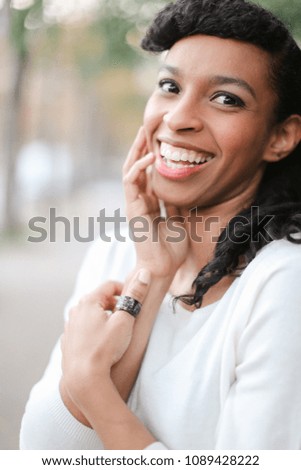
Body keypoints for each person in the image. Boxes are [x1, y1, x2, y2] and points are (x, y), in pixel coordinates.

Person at [20, 0, 301, 450]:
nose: (178, 118)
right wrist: (152, 274)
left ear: (280, 137)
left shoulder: (285, 282)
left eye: (226, 98)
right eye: (169, 86)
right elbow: (45, 451)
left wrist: (93, 386)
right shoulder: (119, 251)